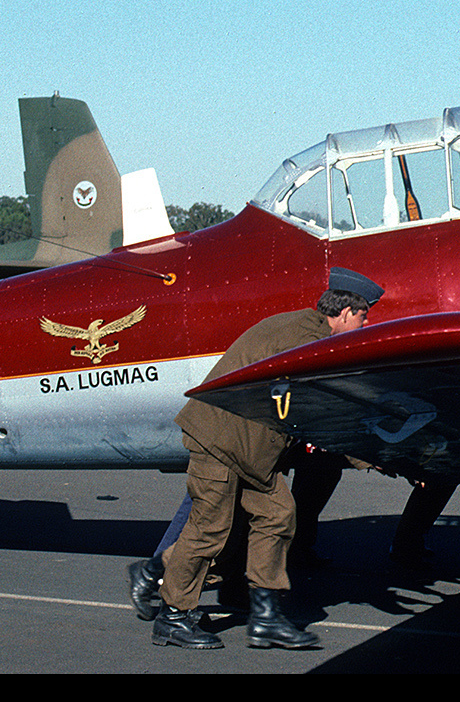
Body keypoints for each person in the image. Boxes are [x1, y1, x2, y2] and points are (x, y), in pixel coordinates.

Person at [150, 267, 383, 651]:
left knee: (277, 515)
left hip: (250, 448)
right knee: (210, 528)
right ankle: (172, 616)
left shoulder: (306, 330)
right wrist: (374, 457)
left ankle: (266, 617)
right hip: (220, 439)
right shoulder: (304, 339)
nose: (365, 324)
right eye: (363, 317)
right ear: (344, 314)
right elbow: (323, 410)